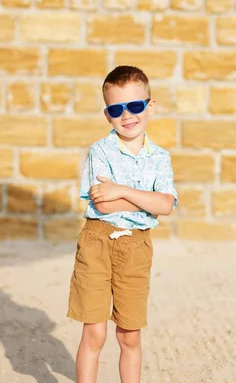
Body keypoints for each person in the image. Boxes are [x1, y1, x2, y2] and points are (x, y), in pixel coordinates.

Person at [67, 65, 178, 383]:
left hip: (135, 248)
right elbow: (103, 203)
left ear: (150, 106)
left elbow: (167, 204)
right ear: (107, 114)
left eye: (135, 105)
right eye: (117, 109)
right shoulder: (99, 152)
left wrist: (122, 191)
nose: (127, 115)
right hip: (96, 244)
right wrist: (146, 201)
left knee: (130, 334)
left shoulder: (159, 158)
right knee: (95, 333)